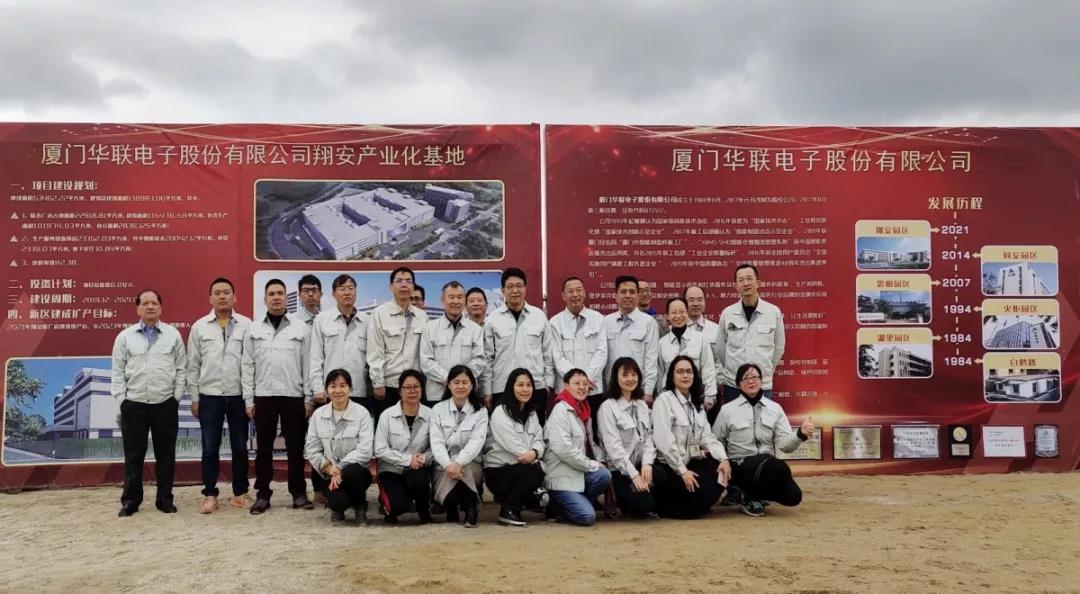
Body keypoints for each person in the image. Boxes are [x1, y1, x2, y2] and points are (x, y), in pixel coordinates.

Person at [243, 279, 313, 515]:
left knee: (296, 448)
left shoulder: (300, 328)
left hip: (294, 395)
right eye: (271, 294)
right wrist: (249, 399)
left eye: (280, 293)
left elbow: (308, 364)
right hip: (264, 396)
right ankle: (262, 494)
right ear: (265, 299)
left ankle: (299, 493)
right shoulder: (253, 328)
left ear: (286, 298)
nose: (276, 297)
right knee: (263, 449)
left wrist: (308, 398)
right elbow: (247, 365)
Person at [113, 289, 186, 517]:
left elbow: (181, 369)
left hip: (165, 403)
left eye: (154, 303)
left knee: (166, 456)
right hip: (134, 404)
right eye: (145, 303)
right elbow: (117, 371)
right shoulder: (125, 337)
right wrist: (122, 400)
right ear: (138, 309)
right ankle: (131, 501)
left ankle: (164, 499)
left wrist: (176, 397)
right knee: (133, 457)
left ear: (161, 308)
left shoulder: (172, 335)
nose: (150, 307)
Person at [186, 277, 254, 513]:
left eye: (226, 292)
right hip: (209, 396)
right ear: (210, 298)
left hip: (238, 396)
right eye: (217, 293)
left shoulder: (247, 325)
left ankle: (240, 493)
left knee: (240, 448)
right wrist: (195, 398)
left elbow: (250, 364)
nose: (222, 296)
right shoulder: (199, 327)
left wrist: (250, 398)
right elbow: (193, 366)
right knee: (209, 447)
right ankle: (209, 494)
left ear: (235, 297)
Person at [713, 363, 813, 517]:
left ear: (762, 381)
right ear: (738, 385)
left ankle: (749, 494)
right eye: (745, 378)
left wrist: (800, 434)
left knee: (793, 497)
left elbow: (785, 445)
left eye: (755, 377)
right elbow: (716, 441)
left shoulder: (775, 408)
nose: (751, 381)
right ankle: (748, 495)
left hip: (766, 465)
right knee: (778, 468)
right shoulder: (727, 410)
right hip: (739, 465)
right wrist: (723, 461)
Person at [651, 356, 731, 519]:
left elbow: (707, 437)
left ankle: (696, 504)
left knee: (721, 470)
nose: (685, 375)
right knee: (692, 496)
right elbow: (665, 443)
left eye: (689, 371)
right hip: (671, 466)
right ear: (672, 375)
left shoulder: (697, 403)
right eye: (680, 372)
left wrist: (724, 458)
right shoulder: (664, 400)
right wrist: (683, 471)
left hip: (692, 461)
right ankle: (679, 507)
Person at [543, 368, 612, 526]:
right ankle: (556, 504)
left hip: (578, 473)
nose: (582, 387)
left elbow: (591, 444)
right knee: (586, 516)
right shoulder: (561, 410)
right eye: (577, 383)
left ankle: (578, 502)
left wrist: (601, 460)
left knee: (604, 475)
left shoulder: (584, 409)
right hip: (562, 477)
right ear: (566, 386)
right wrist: (592, 464)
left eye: (585, 384)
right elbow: (564, 450)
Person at [304, 369, 374, 524]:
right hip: (329, 474)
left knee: (354, 473)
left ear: (350, 389)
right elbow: (312, 449)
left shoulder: (362, 413)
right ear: (326, 390)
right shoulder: (318, 415)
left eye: (343, 386)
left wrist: (341, 468)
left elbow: (365, 449)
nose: (338, 390)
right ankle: (340, 507)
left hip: (356, 472)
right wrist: (329, 468)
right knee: (338, 502)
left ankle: (360, 506)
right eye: (333, 386)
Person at [483, 268, 554, 419]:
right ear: (503, 290)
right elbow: (488, 359)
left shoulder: (539, 316)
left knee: (535, 430)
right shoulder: (492, 319)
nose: (515, 290)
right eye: (510, 286)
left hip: (534, 387)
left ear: (525, 288)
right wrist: (487, 390)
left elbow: (548, 353)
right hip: (502, 388)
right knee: (503, 430)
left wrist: (548, 385)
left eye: (519, 286)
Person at [596, 357, 661, 518]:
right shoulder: (607, 407)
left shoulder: (641, 405)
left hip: (640, 466)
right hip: (621, 470)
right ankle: (623, 499)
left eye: (634, 374)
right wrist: (634, 475)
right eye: (625, 375)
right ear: (615, 378)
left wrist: (647, 464)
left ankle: (642, 496)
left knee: (661, 474)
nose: (630, 379)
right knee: (644, 504)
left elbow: (649, 437)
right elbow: (614, 448)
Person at [483, 368, 547, 527]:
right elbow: (511, 444)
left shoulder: (532, 413)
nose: (525, 389)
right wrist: (532, 457)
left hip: (524, 465)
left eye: (529, 385)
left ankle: (523, 502)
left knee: (538, 472)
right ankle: (509, 509)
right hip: (499, 471)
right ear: (511, 387)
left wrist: (535, 452)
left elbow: (539, 440)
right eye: (520, 385)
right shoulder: (501, 412)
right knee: (536, 470)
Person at [716, 264, 786, 403]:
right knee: (733, 417)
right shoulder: (728, 313)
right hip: (734, 384)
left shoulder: (773, 312)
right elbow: (721, 349)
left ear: (758, 283)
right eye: (741, 280)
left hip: (762, 384)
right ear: (736, 286)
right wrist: (734, 370)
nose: (746, 283)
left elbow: (779, 347)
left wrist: (765, 370)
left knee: (763, 418)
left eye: (749, 278)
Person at [430, 365, 489, 528]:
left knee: (467, 469)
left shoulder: (481, 411)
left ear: (472, 385)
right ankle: (451, 507)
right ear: (449, 385)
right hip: (444, 467)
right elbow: (436, 442)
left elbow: (476, 442)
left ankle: (471, 508)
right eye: (456, 382)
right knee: (449, 488)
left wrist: (458, 463)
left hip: (470, 464)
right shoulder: (437, 410)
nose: (460, 386)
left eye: (465, 382)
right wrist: (449, 464)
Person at [367, 267, 428, 423]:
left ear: (413, 286)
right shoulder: (379, 313)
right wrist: (378, 383)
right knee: (386, 429)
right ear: (391, 287)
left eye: (408, 281)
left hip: (415, 387)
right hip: (388, 386)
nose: (404, 285)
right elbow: (375, 351)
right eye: (399, 281)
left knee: (415, 429)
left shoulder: (422, 316)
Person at [374, 370, 434, 524]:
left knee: (419, 479)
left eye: (416, 387)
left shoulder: (431, 414)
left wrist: (423, 458)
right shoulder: (387, 415)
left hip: (417, 468)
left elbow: (437, 446)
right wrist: (407, 460)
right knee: (398, 506)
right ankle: (391, 501)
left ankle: (423, 509)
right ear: (400, 391)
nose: (412, 391)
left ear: (422, 389)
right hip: (391, 469)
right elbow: (380, 449)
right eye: (407, 387)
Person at [549, 276, 607, 430]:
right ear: (563, 296)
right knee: (568, 430)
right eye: (570, 291)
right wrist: (575, 382)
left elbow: (602, 352)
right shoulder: (555, 323)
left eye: (578, 290)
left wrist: (586, 380)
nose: (575, 294)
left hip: (593, 389)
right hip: (566, 390)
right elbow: (557, 356)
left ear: (584, 293)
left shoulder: (598, 319)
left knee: (594, 431)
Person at [419, 281, 486, 405]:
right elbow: (426, 361)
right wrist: (448, 379)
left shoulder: (475, 329)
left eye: (460, 297)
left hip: (467, 394)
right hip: (437, 394)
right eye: (451, 297)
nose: (456, 301)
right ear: (442, 300)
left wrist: (462, 380)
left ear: (464, 300)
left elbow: (480, 359)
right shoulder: (429, 328)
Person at [602, 275, 660, 405]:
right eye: (623, 292)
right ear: (616, 296)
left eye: (632, 292)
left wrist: (648, 392)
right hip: (612, 391)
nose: (628, 295)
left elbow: (651, 359)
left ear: (638, 296)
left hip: (639, 390)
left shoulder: (649, 322)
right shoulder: (606, 322)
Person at [657, 297, 717, 407]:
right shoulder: (662, 343)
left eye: (682, 312)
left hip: (696, 396)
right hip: (670, 399)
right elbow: (661, 374)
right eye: (674, 312)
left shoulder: (701, 339)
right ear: (668, 316)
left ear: (687, 313)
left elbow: (708, 369)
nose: (678, 316)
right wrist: (661, 398)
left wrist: (710, 396)